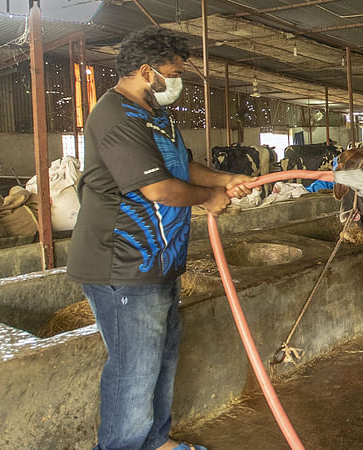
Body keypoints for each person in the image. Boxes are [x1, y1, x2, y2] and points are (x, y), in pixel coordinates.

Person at [67, 27, 254, 450]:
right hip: (122, 264)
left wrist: (227, 179)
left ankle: (154, 441)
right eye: (173, 73)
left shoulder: (156, 115)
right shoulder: (114, 116)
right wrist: (210, 198)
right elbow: (158, 189)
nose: (178, 83)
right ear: (147, 72)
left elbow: (182, 167)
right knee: (134, 367)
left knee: (162, 358)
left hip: (158, 263)